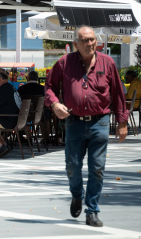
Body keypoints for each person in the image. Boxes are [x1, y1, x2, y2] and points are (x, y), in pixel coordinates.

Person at [45, 26, 129, 227]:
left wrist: (122, 123)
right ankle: (76, 195)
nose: (90, 43)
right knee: (72, 167)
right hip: (74, 123)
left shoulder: (107, 62)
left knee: (97, 169)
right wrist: (55, 103)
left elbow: (118, 93)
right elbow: (49, 87)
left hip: (99, 122)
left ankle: (92, 211)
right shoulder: (65, 63)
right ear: (76, 44)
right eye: (85, 40)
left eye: (92, 39)